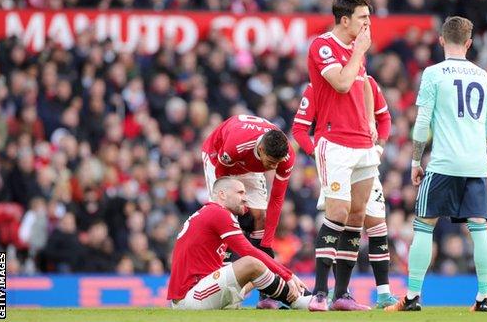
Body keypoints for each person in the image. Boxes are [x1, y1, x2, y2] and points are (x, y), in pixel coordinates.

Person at [386, 16, 487, 312]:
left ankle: (411, 297)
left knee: (424, 225)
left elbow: (422, 123)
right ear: (470, 43)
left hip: (444, 163)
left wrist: (414, 160)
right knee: (479, 228)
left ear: (441, 40)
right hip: (475, 165)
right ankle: (484, 297)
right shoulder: (484, 77)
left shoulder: (434, 73)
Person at [292, 76, 397, 308]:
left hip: (365, 159)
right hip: (337, 158)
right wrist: (318, 157)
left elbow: (385, 117)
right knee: (338, 217)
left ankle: (378, 294)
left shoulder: (367, 82)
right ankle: (323, 292)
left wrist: (379, 147)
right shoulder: (318, 87)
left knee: (373, 222)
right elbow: (299, 129)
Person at [305, 0, 380, 311]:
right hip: (334, 141)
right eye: (363, 17)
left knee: (357, 215)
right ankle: (320, 292)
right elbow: (341, 83)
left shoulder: (355, 50)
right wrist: (359, 52)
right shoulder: (322, 45)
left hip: (362, 142)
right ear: (345, 19)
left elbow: (362, 84)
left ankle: (342, 295)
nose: (368, 24)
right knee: (336, 212)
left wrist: (371, 122)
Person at [167, 177, 310, 310]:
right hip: (191, 297)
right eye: (240, 193)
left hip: (197, 291)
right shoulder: (218, 213)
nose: (245, 198)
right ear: (222, 195)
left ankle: (294, 296)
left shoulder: (207, 213)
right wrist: (288, 275)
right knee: (251, 263)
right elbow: (249, 251)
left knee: (258, 271)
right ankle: (297, 300)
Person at [200, 114, 295, 308]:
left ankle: (266, 293)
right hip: (218, 158)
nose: (273, 167)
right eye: (271, 162)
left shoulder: (286, 156)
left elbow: (276, 199)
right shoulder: (234, 145)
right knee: (222, 215)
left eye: (277, 163)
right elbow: (223, 184)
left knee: (260, 216)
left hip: (249, 163)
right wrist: (235, 208)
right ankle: (219, 277)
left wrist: (267, 244)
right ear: (261, 149)